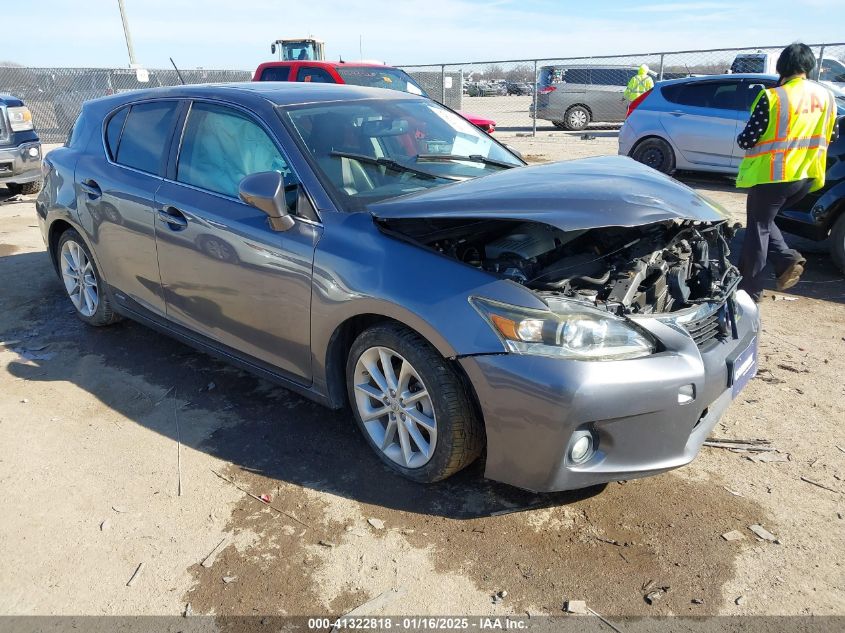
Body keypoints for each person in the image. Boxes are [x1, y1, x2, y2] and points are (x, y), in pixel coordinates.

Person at [735, 43, 839, 302]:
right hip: (806, 176)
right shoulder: (827, 97)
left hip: (773, 175)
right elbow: (833, 134)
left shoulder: (774, 97)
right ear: (809, 67)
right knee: (766, 221)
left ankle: (751, 290)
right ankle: (785, 259)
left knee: (758, 227)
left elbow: (748, 139)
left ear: (782, 67)